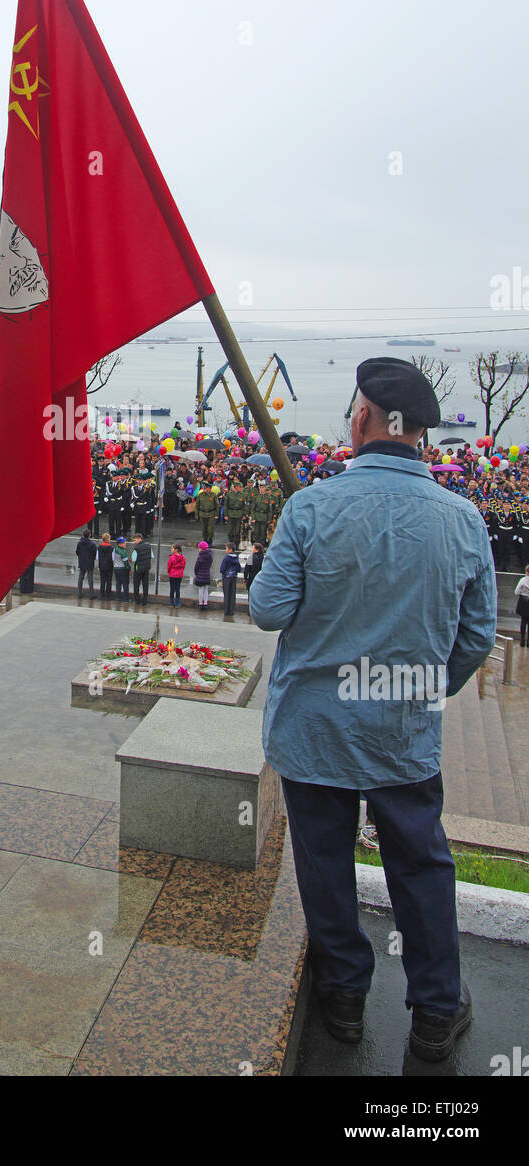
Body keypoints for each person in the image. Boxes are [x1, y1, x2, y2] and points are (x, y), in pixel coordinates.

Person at [249, 357, 497, 1062]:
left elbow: (268, 611)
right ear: (419, 432)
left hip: (313, 729)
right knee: (420, 865)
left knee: (323, 863)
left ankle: (345, 997)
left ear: (361, 419)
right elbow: (477, 636)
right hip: (401, 731)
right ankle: (436, 1012)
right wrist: (424, 689)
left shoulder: (312, 507)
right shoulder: (463, 519)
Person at [220, 542, 241, 617]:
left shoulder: (226, 558)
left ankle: (226, 611)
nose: (226, 550)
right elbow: (239, 569)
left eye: (226, 548)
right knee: (232, 594)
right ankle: (231, 611)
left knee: (226, 594)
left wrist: (225, 572)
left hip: (226, 578)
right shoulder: (236, 558)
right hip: (234, 577)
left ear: (230, 549)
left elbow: (222, 569)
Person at [131, 533, 152, 606]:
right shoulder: (149, 546)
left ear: (139, 538)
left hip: (138, 568)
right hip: (146, 568)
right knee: (145, 585)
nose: (134, 542)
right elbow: (151, 556)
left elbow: (133, 559)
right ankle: (144, 601)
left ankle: (137, 600)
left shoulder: (136, 548)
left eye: (135, 540)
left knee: (136, 585)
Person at [75, 529, 97, 599]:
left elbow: (77, 552)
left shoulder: (79, 543)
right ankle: (91, 594)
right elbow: (95, 553)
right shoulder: (92, 544)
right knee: (90, 579)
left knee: (80, 577)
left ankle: (79, 593)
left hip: (82, 561)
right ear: (90, 535)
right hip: (90, 562)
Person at [193, 540, 212, 609]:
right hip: (207, 574)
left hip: (200, 574)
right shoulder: (210, 556)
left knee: (201, 589)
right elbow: (210, 565)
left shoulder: (200, 556)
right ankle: (205, 603)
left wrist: (196, 573)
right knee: (206, 589)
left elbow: (196, 566)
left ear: (201, 548)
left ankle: (201, 603)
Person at [515, 564, 529, 647]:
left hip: (523, 602)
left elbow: (516, 592)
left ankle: (522, 641)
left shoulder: (522, 580)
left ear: (526, 572)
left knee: (523, 622)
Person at [97, 532, 114, 598]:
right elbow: (113, 558)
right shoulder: (112, 548)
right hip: (109, 566)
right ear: (108, 539)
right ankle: (108, 595)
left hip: (101, 566)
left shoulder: (99, 547)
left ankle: (102, 595)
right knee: (109, 581)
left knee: (102, 580)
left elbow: (97, 557)